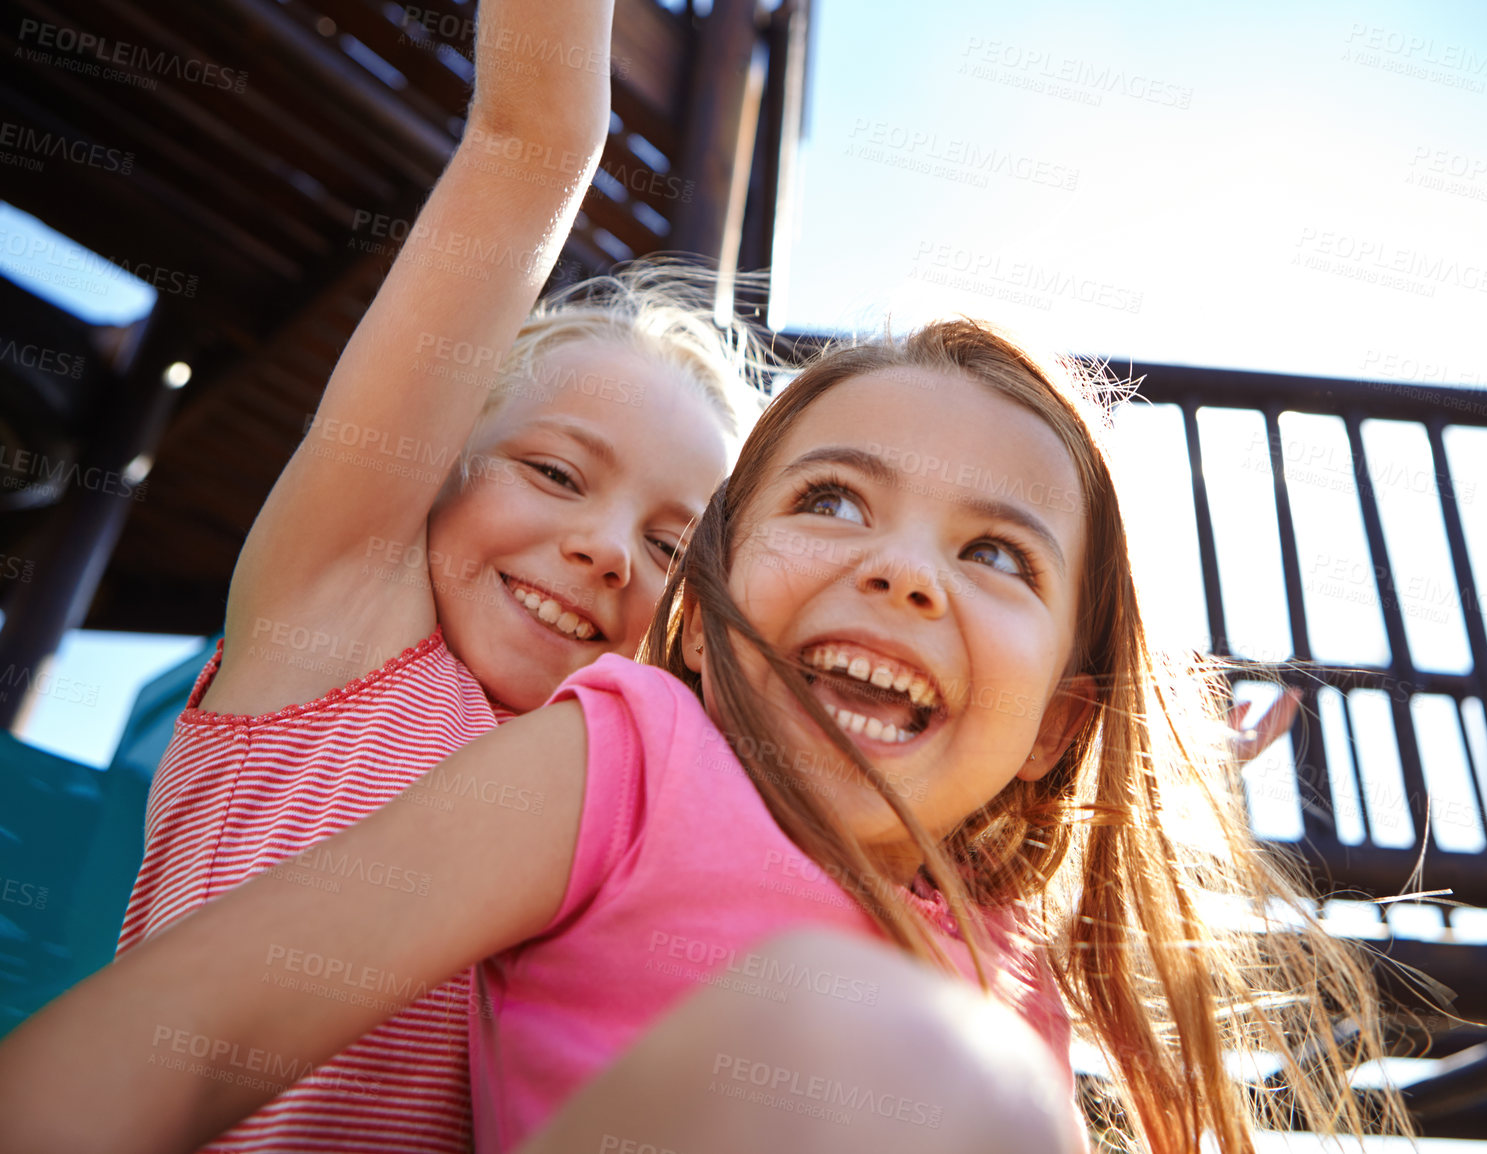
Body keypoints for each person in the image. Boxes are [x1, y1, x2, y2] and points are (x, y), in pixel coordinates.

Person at [0, 318, 1402, 1154]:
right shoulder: (626, 750)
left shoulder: (1006, 962)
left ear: (1058, 726)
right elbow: (191, 1031)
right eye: (836, 501)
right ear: (713, 599)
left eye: (997, 555)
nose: (904, 572)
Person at [110, 0, 767, 1147]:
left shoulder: (633, 804)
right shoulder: (342, 621)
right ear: (440, 473)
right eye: (557, 471)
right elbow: (532, 140)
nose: (610, 547)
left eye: (671, 546)